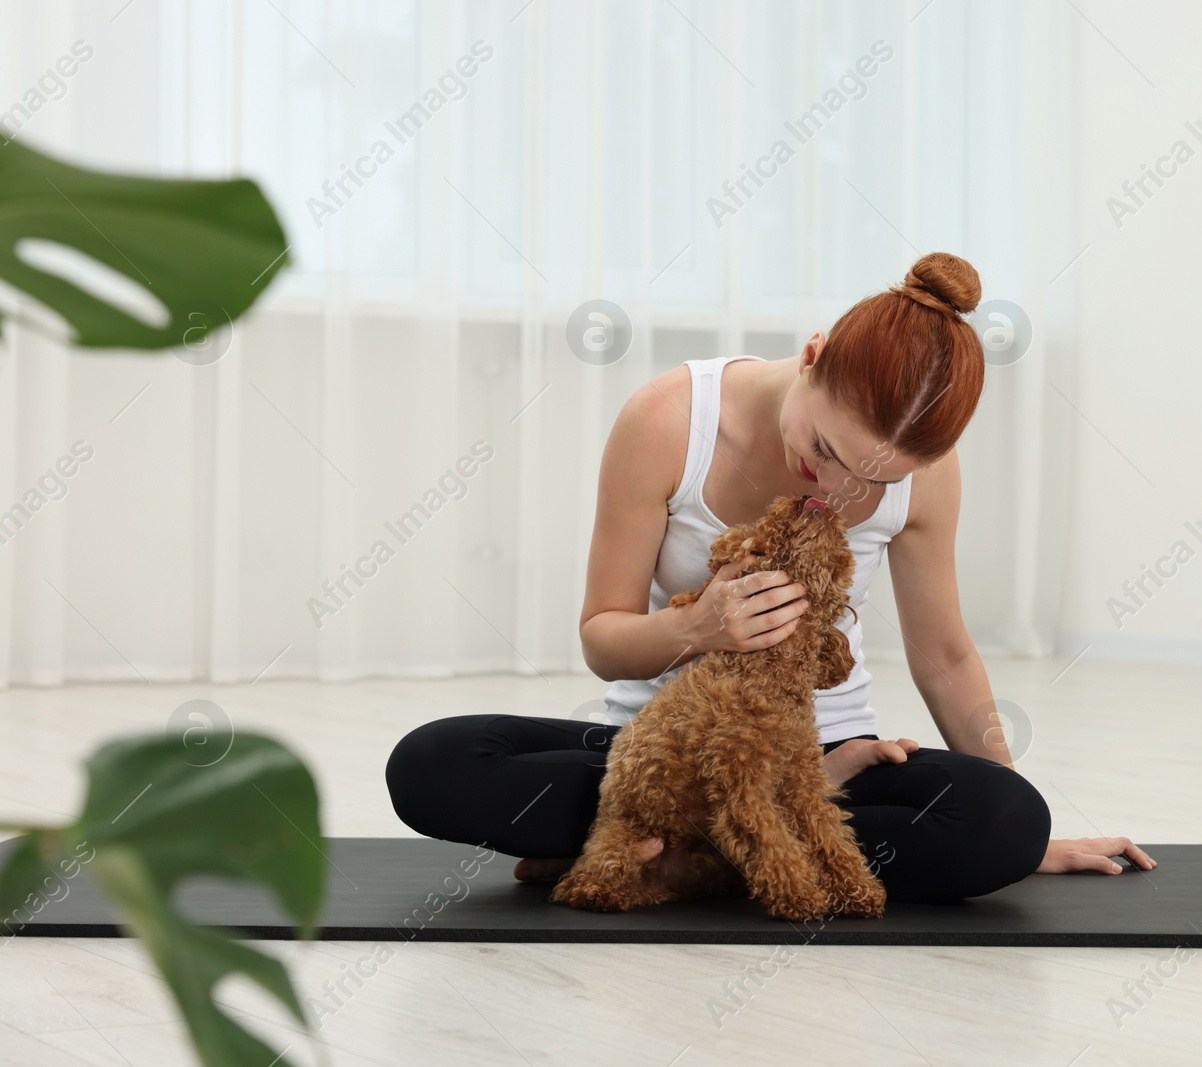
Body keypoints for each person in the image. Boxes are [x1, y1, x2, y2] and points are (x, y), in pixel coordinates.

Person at [386, 252, 1154, 905]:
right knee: (432, 765)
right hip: (665, 755)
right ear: (813, 357)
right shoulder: (665, 421)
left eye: (869, 478)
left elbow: (946, 657)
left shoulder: (929, 479)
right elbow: (602, 638)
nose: (834, 485)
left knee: (1005, 820)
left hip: (829, 765)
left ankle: (682, 861)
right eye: (826, 445)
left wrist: (1031, 836)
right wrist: (696, 627)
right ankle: (732, 848)